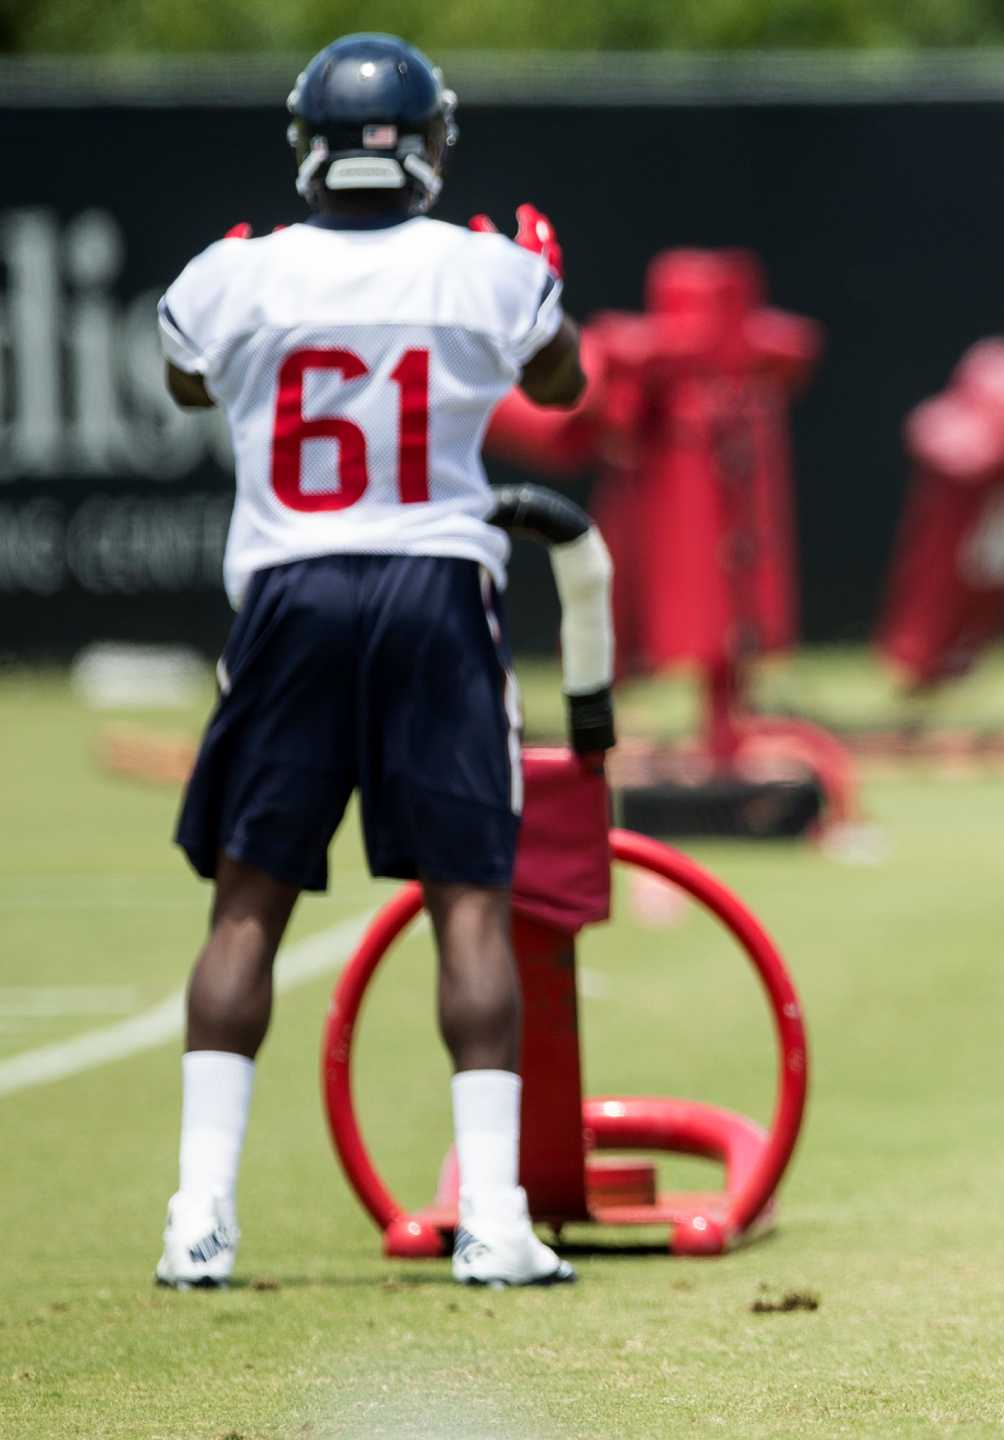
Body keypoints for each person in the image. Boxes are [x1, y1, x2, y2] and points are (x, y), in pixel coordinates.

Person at [153, 32, 587, 1289]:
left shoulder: (234, 277)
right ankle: (494, 1220)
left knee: (246, 904)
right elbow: (563, 386)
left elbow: (186, 384)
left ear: (308, 146)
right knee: (468, 900)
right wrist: (542, 288)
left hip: (289, 589)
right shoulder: (485, 270)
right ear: (429, 143)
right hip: (434, 588)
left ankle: (199, 1216)